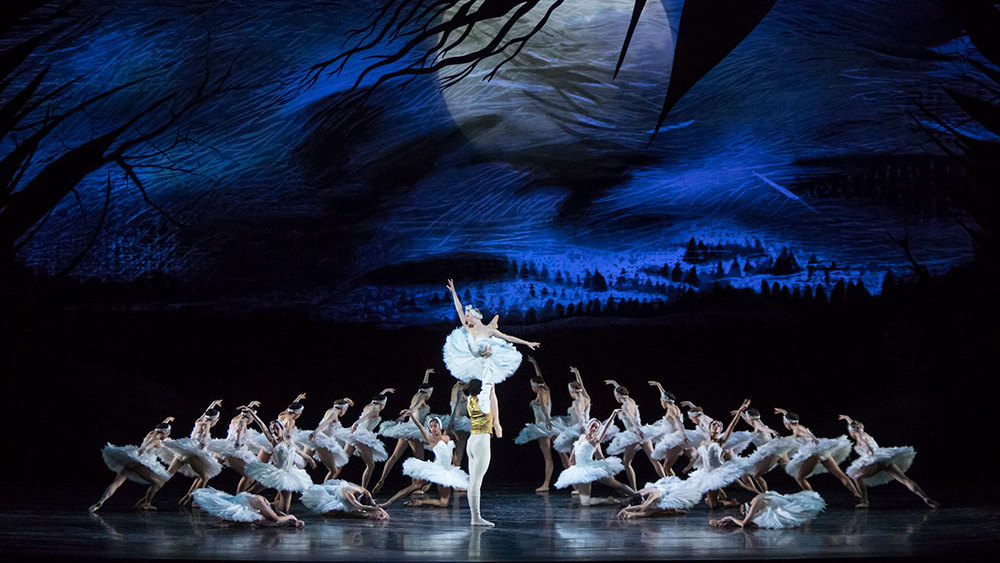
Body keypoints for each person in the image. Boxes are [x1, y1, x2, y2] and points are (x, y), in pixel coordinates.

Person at [442, 278, 539, 387]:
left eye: (468, 316)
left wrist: (527, 343)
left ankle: (495, 321)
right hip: (472, 357)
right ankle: (494, 322)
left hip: (486, 358)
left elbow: (508, 338)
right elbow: (459, 309)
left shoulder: (488, 331)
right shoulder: (468, 327)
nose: (466, 319)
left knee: (489, 386)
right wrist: (453, 292)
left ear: (475, 317)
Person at [839, 415, 939, 508]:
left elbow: (861, 439)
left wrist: (869, 447)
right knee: (905, 480)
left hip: (875, 459)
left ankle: (864, 501)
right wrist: (847, 418)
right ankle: (925, 497)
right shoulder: (864, 433)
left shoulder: (858, 435)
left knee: (856, 477)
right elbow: (854, 425)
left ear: (851, 431)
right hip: (884, 457)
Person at [381, 414, 469, 508]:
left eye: (435, 426)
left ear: (440, 426)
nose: (433, 428)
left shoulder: (447, 437)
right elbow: (420, 427)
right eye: (431, 427)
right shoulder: (431, 440)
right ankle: (388, 503)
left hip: (446, 471)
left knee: (444, 503)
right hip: (436, 469)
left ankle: (419, 502)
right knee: (414, 487)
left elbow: (450, 450)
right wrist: (412, 416)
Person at [775, 408, 861, 502]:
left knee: (800, 478)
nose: (784, 424)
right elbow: (790, 419)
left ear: (787, 423)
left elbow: (801, 433)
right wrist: (783, 412)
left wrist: (811, 436)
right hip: (822, 451)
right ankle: (857, 493)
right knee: (840, 475)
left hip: (814, 454)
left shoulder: (796, 429)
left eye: (784, 422)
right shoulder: (799, 425)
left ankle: (814, 499)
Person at [90, 417, 174, 513]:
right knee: (157, 483)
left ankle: (101, 501)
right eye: (167, 434)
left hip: (131, 459)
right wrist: (144, 450)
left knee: (117, 482)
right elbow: (148, 445)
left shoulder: (151, 433)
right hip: (141, 462)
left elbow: (162, 427)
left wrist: (167, 419)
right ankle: (147, 503)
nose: (167, 436)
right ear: (166, 433)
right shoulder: (156, 440)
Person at [683, 399, 754, 509]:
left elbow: (732, 425)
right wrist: (688, 467)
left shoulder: (720, 441)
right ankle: (733, 503)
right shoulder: (704, 442)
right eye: (713, 424)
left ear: (720, 430)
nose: (715, 425)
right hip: (707, 473)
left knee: (743, 487)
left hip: (719, 472)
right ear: (709, 428)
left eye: (718, 425)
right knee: (713, 505)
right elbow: (698, 456)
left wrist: (740, 411)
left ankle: (762, 495)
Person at [242, 409, 315, 514]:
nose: (274, 431)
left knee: (285, 508)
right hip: (276, 472)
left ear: (281, 428)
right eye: (272, 429)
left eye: (276, 428)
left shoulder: (289, 440)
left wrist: (310, 459)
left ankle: (276, 512)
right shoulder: (273, 442)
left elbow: (299, 451)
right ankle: (239, 505)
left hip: (289, 474)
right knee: (252, 491)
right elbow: (261, 425)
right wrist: (252, 413)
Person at [553, 412, 635, 506]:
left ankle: (636, 495)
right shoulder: (581, 437)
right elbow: (575, 450)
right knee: (585, 503)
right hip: (581, 469)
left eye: (596, 428)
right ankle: (609, 501)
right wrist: (571, 459)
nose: (594, 428)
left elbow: (605, 428)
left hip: (591, 468)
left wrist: (613, 414)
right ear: (588, 426)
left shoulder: (594, 440)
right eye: (593, 426)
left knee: (615, 484)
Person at [374, 370, 435, 493]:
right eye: (431, 392)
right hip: (415, 431)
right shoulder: (422, 396)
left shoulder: (418, 393)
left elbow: (423, 386)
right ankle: (415, 485)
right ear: (428, 392)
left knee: (395, 456)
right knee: (419, 459)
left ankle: (382, 478)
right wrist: (408, 412)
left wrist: (427, 374)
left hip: (407, 429)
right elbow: (416, 406)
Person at [160, 400, 225, 506]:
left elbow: (205, 413)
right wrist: (204, 442)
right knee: (205, 476)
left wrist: (213, 403)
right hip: (194, 450)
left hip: (185, 448)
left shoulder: (199, 421)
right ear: (215, 420)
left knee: (170, 474)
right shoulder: (207, 423)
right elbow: (205, 432)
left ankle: (189, 495)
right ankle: (197, 500)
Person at [604, 380, 666, 490]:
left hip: (634, 434)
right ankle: (666, 481)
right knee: (653, 459)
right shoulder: (630, 400)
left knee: (626, 462)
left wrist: (637, 431)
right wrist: (614, 383)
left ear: (617, 396)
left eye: (615, 395)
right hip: (643, 431)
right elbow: (620, 391)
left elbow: (632, 419)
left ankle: (634, 490)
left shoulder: (625, 406)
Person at [513, 356, 562, 492]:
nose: (531, 387)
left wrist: (546, 421)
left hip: (543, 427)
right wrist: (535, 363)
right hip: (552, 425)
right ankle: (574, 483)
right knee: (562, 454)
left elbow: (544, 408)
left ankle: (546, 484)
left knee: (548, 457)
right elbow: (539, 376)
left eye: (531, 385)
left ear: (534, 386)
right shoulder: (546, 389)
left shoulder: (541, 394)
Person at [343, 389, 393, 489]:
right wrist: (355, 423)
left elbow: (378, 398)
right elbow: (365, 417)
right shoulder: (376, 409)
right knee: (371, 465)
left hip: (353, 435)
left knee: (342, 460)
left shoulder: (370, 405)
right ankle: (364, 490)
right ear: (383, 404)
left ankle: (328, 481)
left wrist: (385, 391)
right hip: (361, 437)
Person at [465, 378, 499, 526]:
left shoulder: (470, 399)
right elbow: (489, 389)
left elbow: (488, 389)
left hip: (472, 440)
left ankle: (475, 517)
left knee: (473, 482)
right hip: (481, 442)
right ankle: (476, 517)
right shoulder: (483, 402)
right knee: (476, 483)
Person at [207, 402, 262, 492]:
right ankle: (240, 497)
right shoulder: (243, 421)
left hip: (224, 446)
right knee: (249, 475)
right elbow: (240, 431)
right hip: (233, 448)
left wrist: (251, 404)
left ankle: (192, 493)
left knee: (208, 474)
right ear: (250, 417)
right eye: (252, 417)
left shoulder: (236, 418)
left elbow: (243, 413)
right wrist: (238, 442)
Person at [648, 382, 698, 476]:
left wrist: (683, 436)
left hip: (675, 439)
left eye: (661, 400)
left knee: (666, 468)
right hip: (676, 437)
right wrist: (659, 385)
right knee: (695, 459)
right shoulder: (674, 406)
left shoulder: (671, 409)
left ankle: (676, 488)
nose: (660, 402)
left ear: (664, 400)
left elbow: (678, 422)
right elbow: (664, 395)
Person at [191, 487, 304, 527]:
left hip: (239, 499)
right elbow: (275, 519)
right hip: (239, 502)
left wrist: (287, 519)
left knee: (258, 521)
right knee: (262, 521)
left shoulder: (260, 503)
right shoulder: (259, 502)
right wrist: (291, 517)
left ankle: (229, 523)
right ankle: (229, 522)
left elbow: (276, 515)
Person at [710, 490, 825, 529]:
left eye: (749, 512)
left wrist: (730, 517)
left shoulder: (756, 503)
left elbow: (745, 524)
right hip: (783, 503)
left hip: (784, 505)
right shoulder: (759, 499)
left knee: (756, 520)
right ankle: (722, 521)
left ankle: (724, 521)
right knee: (757, 519)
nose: (752, 514)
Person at [306, 398, 354, 482]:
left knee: (302, 463)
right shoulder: (334, 414)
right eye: (346, 410)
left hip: (320, 439)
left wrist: (346, 400)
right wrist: (315, 432)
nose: (345, 412)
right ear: (343, 409)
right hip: (322, 441)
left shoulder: (331, 410)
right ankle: (324, 491)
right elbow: (326, 423)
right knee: (334, 471)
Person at [614, 476, 703, 520]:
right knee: (649, 508)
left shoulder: (654, 494)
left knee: (651, 510)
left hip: (668, 492)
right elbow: (636, 503)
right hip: (658, 492)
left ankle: (673, 510)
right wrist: (629, 508)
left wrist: (626, 509)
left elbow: (643, 506)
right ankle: (672, 511)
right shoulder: (638, 493)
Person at [301, 480, 389, 520]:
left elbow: (369, 498)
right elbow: (359, 506)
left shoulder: (362, 491)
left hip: (349, 499)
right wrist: (376, 509)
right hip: (333, 492)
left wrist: (376, 506)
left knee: (356, 511)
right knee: (344, 509)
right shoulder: (349, 494)